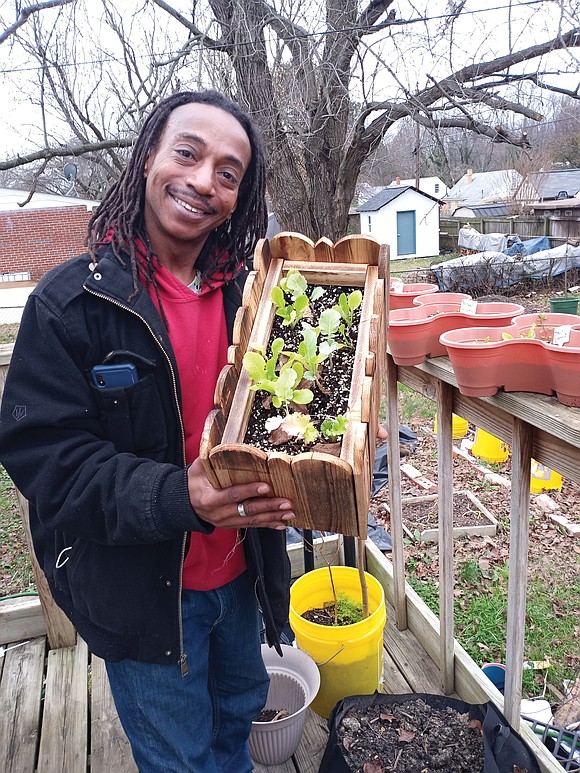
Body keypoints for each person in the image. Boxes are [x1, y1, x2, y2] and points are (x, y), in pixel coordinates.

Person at [0, 90, 296, 772]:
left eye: (229, 172)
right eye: (188, 153)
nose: (203, 181)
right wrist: (177, 495)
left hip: (241, 573)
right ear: (147, 160)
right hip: (145, 598)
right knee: (178, 755)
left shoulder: (250, 298)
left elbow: (285, 407)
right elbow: (49, 460)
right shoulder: (71, 303)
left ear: (240, 196)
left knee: (236, 722)